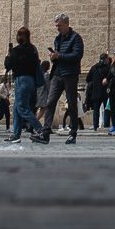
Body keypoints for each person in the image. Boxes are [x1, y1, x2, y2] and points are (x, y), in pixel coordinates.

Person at [36, 13, 84, 145]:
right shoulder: (58, 38)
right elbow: (58, 56)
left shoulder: (76, 38)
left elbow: (77, 55)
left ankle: (73, 133)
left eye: (60, 25)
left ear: (67, 24)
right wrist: (53, 57)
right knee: (50, 102)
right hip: (57, 74)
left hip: (70, 75)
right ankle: (45, 133)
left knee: (72, 104)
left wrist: (59, 56)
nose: (57, 28)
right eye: (56, 25)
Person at [4, 27, 40, 142]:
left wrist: (8, 54)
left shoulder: (16, 50)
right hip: (31, 80)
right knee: (16, 108)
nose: (18, 37)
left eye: (19, 35)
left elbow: (8, 65)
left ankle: (41, 130)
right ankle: (16, 134)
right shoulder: (33, 49)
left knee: (22, 108)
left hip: (21, 80)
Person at [86, 53, 110, 131]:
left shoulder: (94, 67)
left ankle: (95, 126)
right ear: (106, 59)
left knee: (96, 110)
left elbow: (88, 79)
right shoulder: (108, 67)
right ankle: (106, 125)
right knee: (107, 109)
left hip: (96, 91)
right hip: (105, 92)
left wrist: (95, 82)